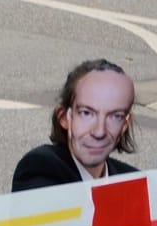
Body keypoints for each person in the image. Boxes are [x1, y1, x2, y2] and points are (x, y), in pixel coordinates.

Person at [12, 59, 139, 191]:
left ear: (125, 124)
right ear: (64, 117)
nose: (99, 132)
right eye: (86, 113)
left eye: (115, 116)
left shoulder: (132, 180)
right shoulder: (40, 167)